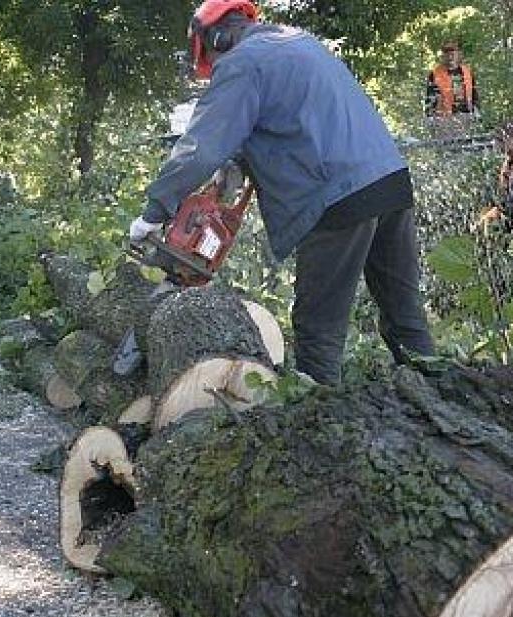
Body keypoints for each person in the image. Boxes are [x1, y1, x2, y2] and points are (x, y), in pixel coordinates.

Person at [129, 0, 434, 385]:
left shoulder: (242, 62)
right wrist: (235, 167)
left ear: (217, 38)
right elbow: (290, 124)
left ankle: (319, 430)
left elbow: (200, 147)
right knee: (405, 320)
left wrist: (154, 212)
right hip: (388, 179)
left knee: (317, 331)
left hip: (335, 198)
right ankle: (446, 401)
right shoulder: (297, 43)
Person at [425, 41, 480, 119]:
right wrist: (430, 118)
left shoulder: (468, 72)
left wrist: (477, 113)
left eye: (452, 53)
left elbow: (475, 96)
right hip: (444, 119)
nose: (450, 57)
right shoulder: (435, 74)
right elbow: (429, 100)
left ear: (458, 54)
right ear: (443, 55)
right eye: (447, 53)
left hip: (467, 116)